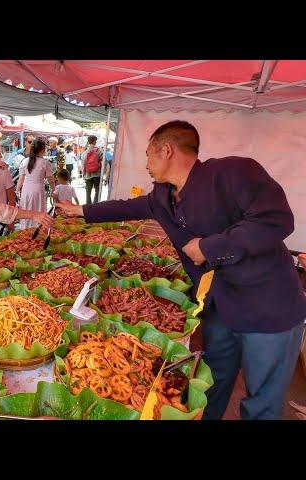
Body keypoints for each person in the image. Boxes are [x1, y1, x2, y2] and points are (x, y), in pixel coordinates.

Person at [57, 120, 306, 420]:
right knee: (210, 385)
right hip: (220, 305)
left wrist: (208, 247)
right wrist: (80, 211)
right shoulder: (163, 196)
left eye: (148, 154)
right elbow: (127, 207)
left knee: (262, 402)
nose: (145, 163)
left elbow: (275, 220)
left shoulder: (233, 172)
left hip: (268, 308)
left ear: (167, 150)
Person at [16, 138, 55, 230]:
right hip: (38, 191)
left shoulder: (25, 161)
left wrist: (17, 191)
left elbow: (21, 179)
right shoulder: (45, 163)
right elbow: (51, 180)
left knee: (27, 211)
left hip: (26, 191)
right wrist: (53, 189)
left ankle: (25, 231)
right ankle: (39, 232)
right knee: (39, 211)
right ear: (42, 150)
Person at [81, 135, 104, 204]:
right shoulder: (99, 150)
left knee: (88, 192)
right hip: (97, 173)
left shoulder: (85, 152)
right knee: (97, 190)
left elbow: (83, 164)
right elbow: (103, 161)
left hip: (88, 174)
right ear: (94, 141)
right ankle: (95, 205)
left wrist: (83, 174)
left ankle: (88, 206)